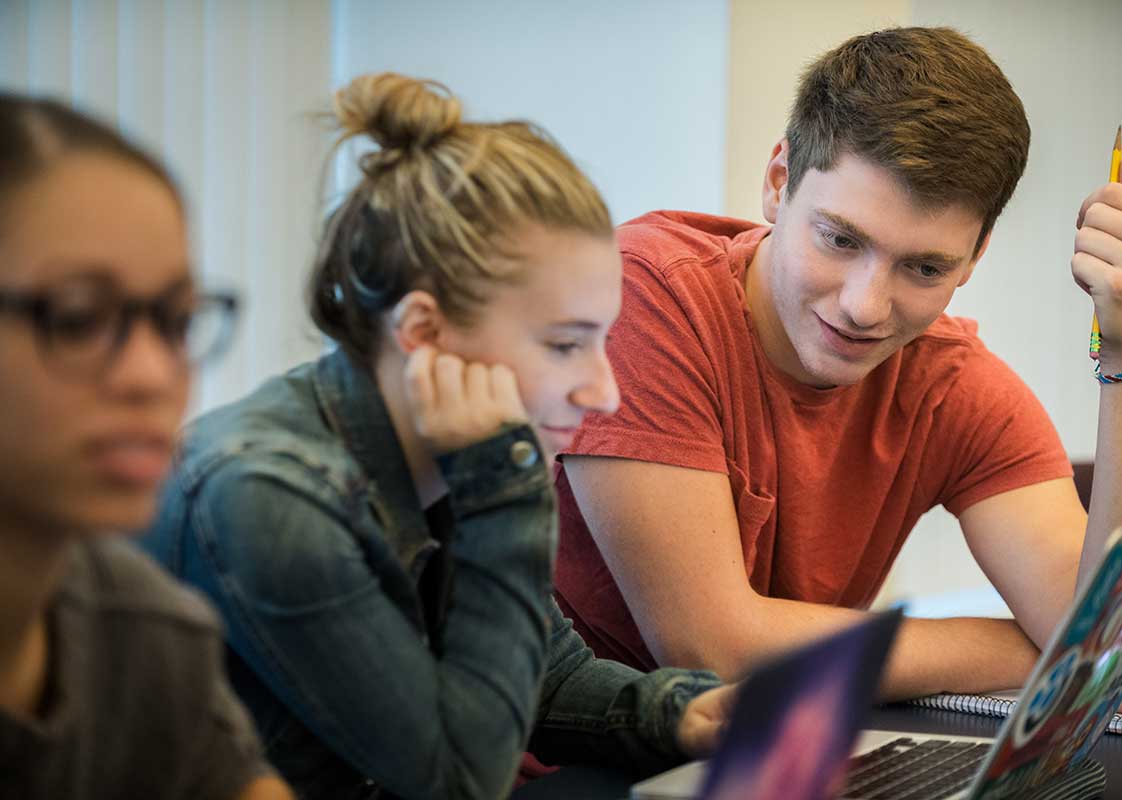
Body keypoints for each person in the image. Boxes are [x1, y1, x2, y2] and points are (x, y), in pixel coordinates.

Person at [553, 26, 1122, 716]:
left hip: (762, 760)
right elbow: (710, 650)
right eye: (839, 239)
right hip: (549, 769)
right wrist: (1034, 649)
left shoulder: (954, 386)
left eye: (925, 268)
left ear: (974, 257)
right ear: (778, 183)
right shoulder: (647, 293)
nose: (865, 307)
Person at [139, 74, 733, 800]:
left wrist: (683, 714)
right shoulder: (265, 495)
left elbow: (547, 678)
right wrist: (506, 492)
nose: (603, 391)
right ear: (423, 333)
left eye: (601, 341)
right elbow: (455, 780)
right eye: (563, 344)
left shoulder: (434, 454)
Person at [0, 95, 291, 798]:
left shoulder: (144, 628)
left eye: (176, 321)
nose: (153, 375)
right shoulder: (264, 497)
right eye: (76, 318)